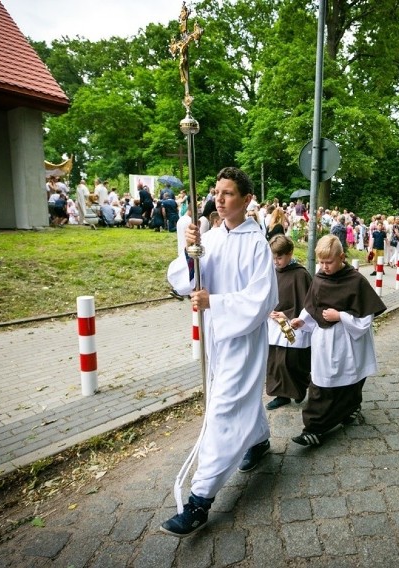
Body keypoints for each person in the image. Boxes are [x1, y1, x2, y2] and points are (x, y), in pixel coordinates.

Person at [161, 167, 278, 537]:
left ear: (246, 200)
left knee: (225, 408)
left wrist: (217, 302)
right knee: (235, 400)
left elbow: (262, 299)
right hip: (217, 338)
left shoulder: (256, 242)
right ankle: (258, 441)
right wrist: (190, 251)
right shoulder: (209, 237)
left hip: (242, 339)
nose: (220, 198)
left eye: (229, 193)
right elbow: (182, 281)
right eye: (217, 192)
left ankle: (198, 501)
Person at [288, 235, 386, 446]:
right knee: (322, 382)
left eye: (329, 262)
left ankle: (349, 408)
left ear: (341, 257)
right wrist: (301, 321)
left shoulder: (356, 280)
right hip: (325, 341)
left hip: (348, 341)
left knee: (350, 380)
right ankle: (313, 427)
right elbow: (312, 306)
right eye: (321, 262)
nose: (324, 267)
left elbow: (365, 318)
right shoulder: (320, 277)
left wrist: (341, 316)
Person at [265, 235, 312, 410]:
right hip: (274, 324)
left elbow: (307, 303)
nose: (276, 262)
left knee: (292, 361)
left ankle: (299, 389)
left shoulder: (300, 274)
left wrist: (288, 315)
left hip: (293, 324)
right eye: (273, 257)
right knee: (275, 360)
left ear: (290, 254)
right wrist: (267, 309)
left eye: (280, 257)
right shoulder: (271, 271)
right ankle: (280, 394)